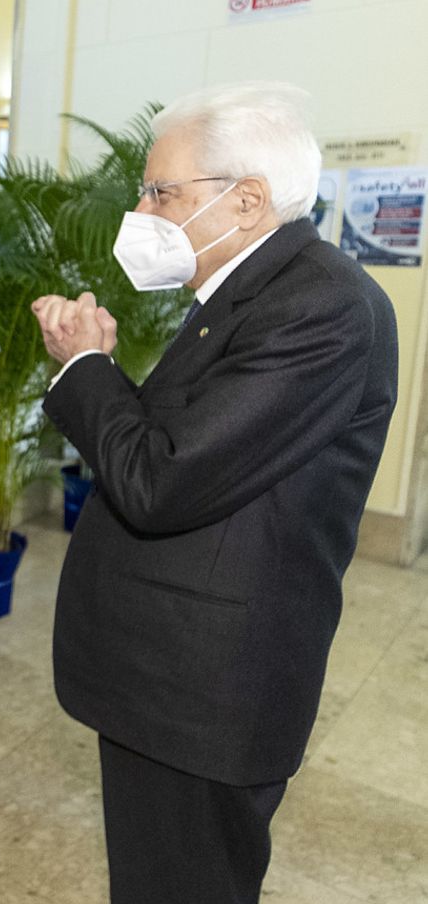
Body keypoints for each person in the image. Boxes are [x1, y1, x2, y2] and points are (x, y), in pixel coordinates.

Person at [30, 82, 397, 904]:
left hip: (203, 703)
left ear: (247, 200)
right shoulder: (248, 295)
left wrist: (86, 366)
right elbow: (187, 454)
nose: (142, 206)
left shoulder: (321, 306)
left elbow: (158, 480)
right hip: (172, 685)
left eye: (162, 190)